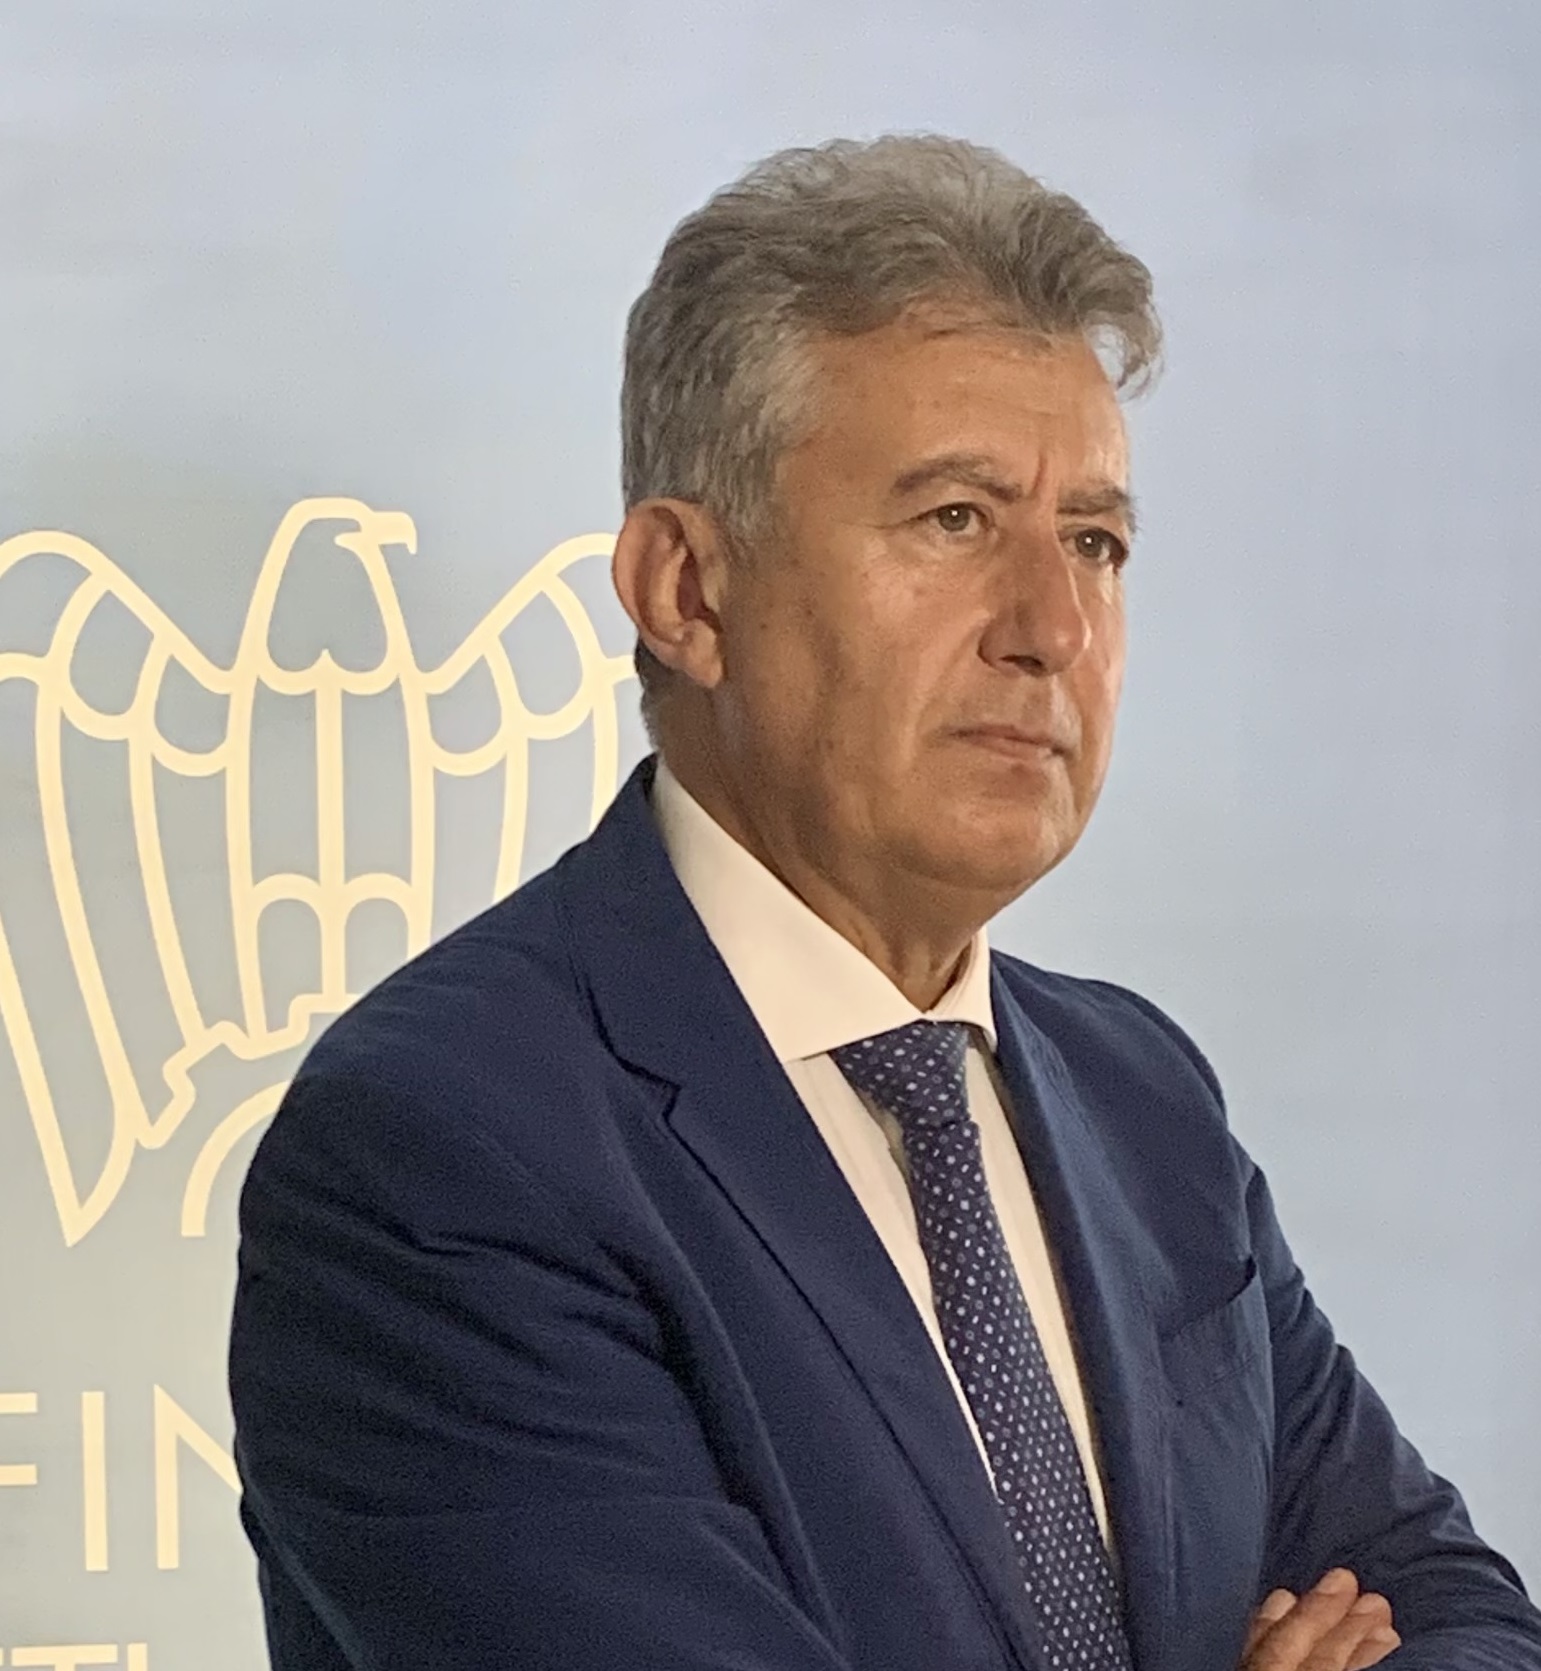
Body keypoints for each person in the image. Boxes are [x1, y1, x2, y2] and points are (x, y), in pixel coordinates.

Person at [228, 135, 1541, 1671]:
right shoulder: (444, 1146)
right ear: (685, 590)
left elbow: (1457, 1613)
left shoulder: (1142, 1101)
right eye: (954, 521)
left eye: (1094, 542)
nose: (1053, 629)